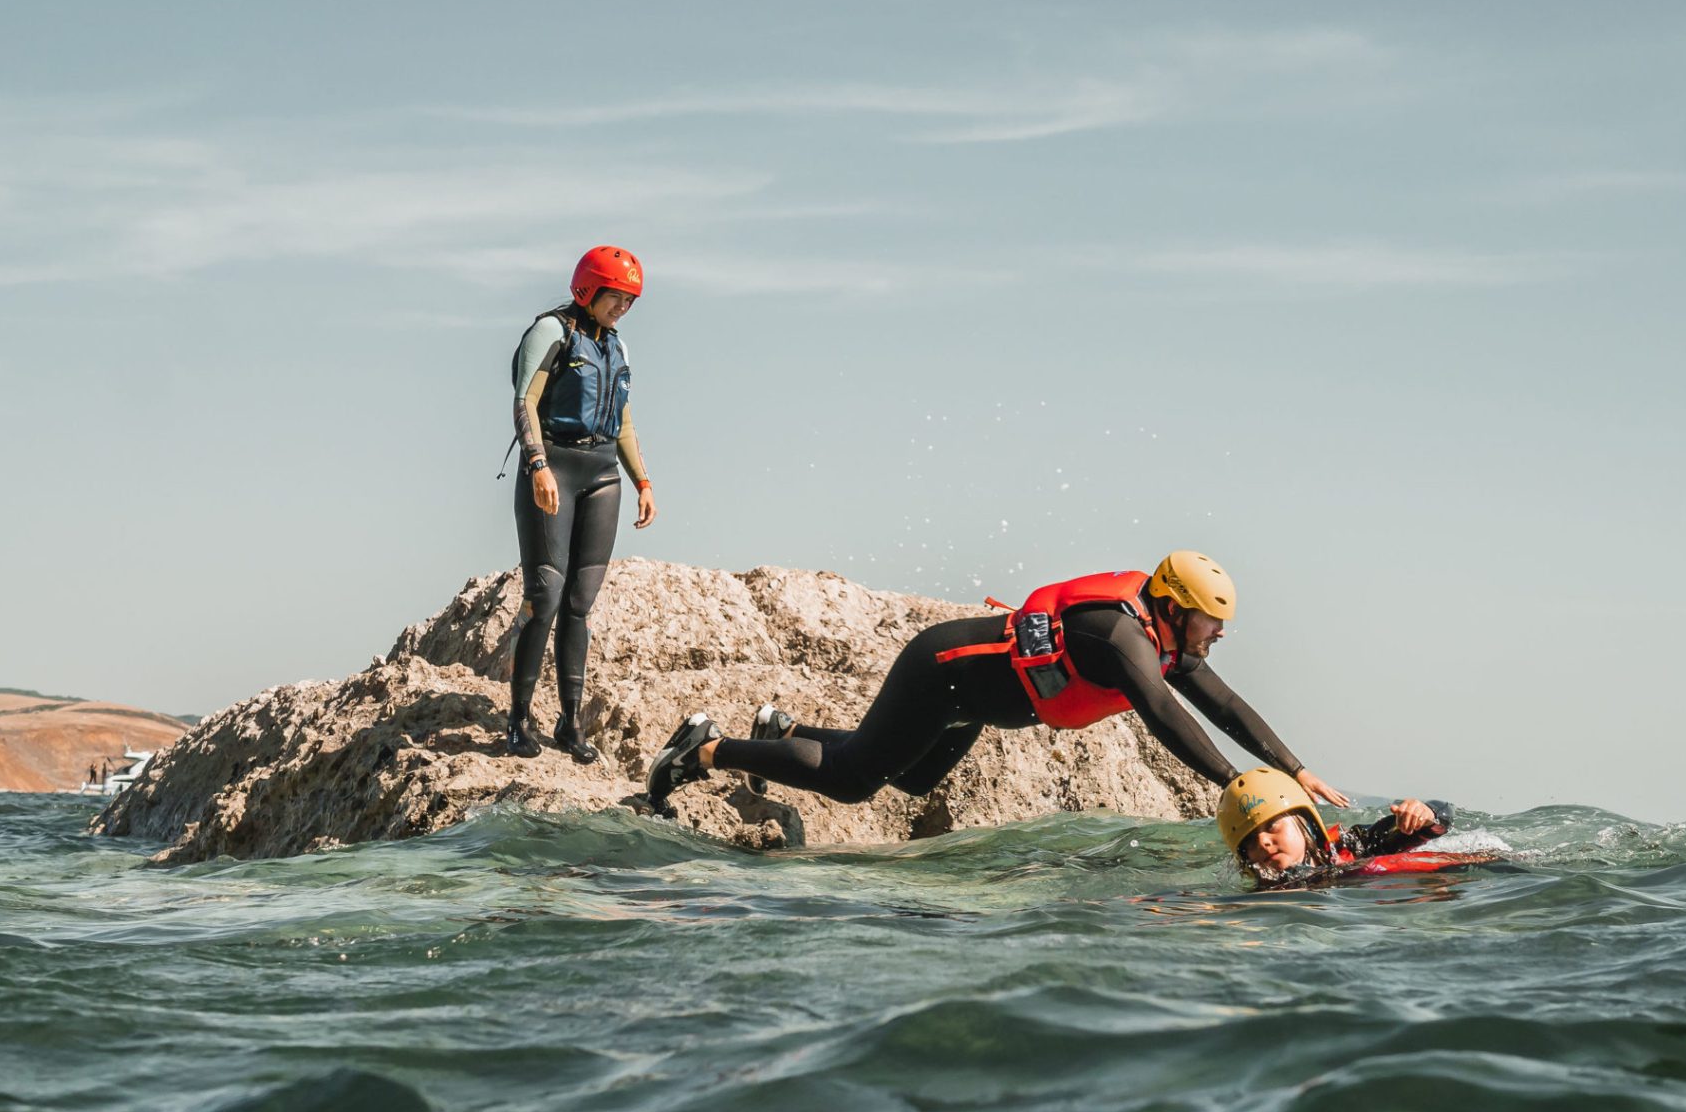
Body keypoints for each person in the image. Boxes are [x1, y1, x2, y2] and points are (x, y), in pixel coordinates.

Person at [646, 551, 1351, 819]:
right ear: (1173, 608)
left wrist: (1294, 769)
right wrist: (1235, 783)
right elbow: (1163, 713)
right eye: (1209, 622)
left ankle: (785, 733)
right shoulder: (1119, 637)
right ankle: (705, 749)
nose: (1216, 634)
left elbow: (1223, 703)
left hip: (969, 707)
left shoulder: (1167, 639)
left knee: (913, 780)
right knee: (855, 780)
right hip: (943, 671)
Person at [504, 245, 657, 762]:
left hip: (603, 475)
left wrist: (643, 481)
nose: (623, 308)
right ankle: (518, 719)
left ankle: (570, 723)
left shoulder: (617, 346)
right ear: (588, 289)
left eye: (630, 301)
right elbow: (524, 402)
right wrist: (537, 465)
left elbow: (624, 422)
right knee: (545, 592)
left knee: (580, 602)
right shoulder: (551, 331)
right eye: (616, 297)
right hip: (555, 468)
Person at [1217, 767, 1457, 887]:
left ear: (1305, 821)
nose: (1262, 841)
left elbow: (1442, 818)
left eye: (1272, 825)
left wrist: (1427, 814)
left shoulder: (1354, 845)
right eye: (1250, 840)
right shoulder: (1260, 897)